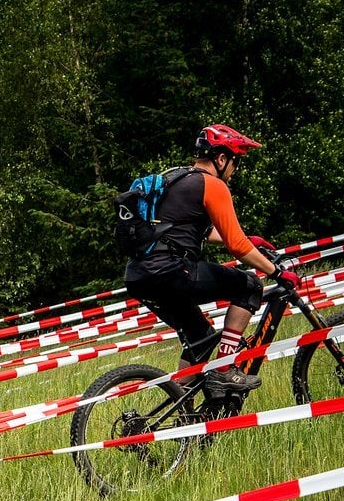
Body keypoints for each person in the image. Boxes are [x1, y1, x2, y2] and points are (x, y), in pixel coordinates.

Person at [125, 124, 300, 398]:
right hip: (172, 270)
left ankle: (183, 412)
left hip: (139, 275)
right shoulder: (212, 184)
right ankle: (224, 371)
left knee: (200, 338)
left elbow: (194, 229)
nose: (235, 171)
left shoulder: (175, 178)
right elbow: (236, 246)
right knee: (249, 285)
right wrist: (276, 272)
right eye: (235, 163)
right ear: (221, 158)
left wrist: (251, 240)